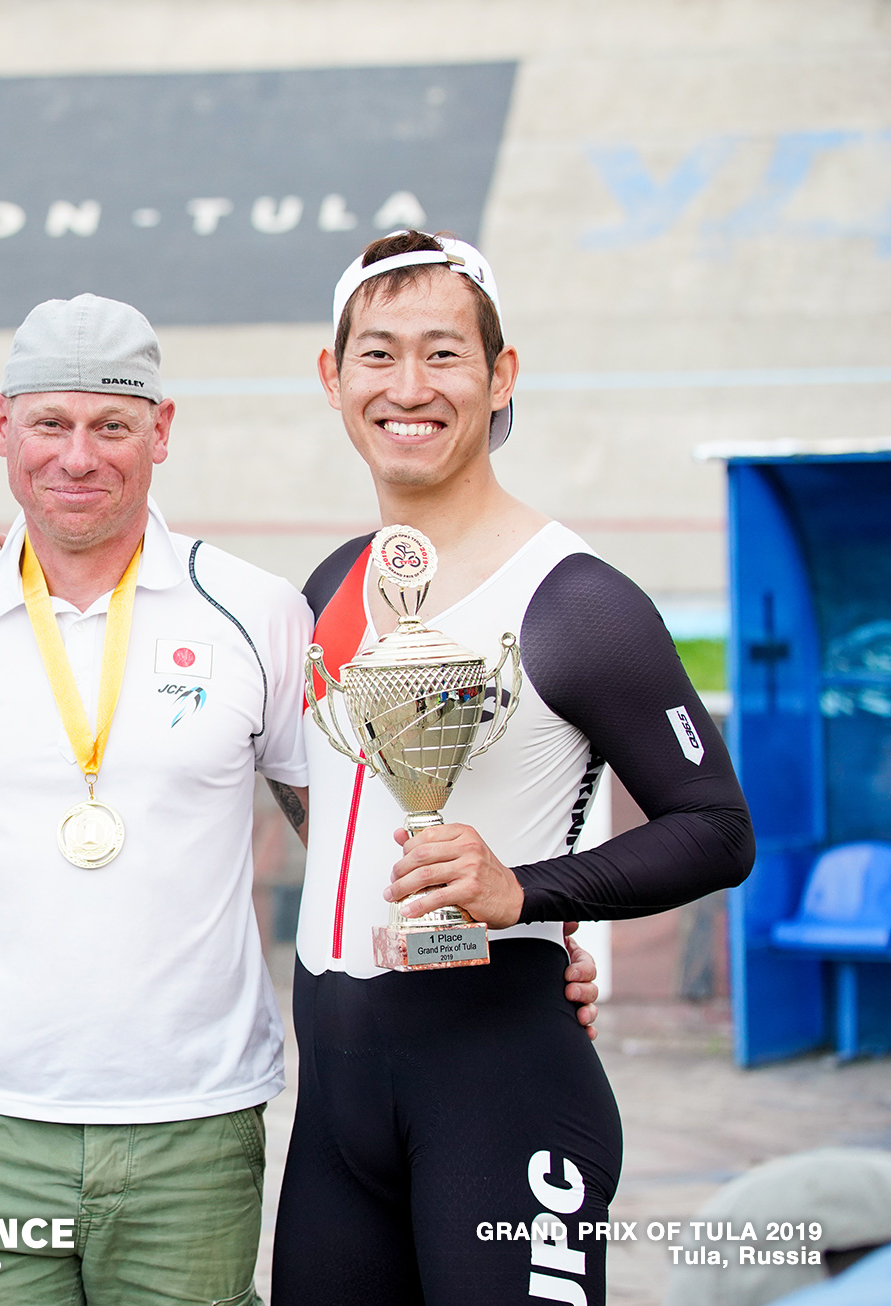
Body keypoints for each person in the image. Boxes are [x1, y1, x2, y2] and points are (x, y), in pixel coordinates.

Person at [269, 229, 756, 1305]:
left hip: (501, 1100)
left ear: (500, 376)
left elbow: (717, 826)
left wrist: (526, 897)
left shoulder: (575, 600)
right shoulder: (335, 580)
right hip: (337, 1109)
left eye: (443, 354)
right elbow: (329, 794)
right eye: (378, 354)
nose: (409, 386)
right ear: (332, 377)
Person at [0, 294, 309, 1305]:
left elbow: (342, 834)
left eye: (111, 425)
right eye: (49, 423)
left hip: (193, 1125)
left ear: (162, 432)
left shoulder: (256, 611)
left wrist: (527, 942)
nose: (77, 456)